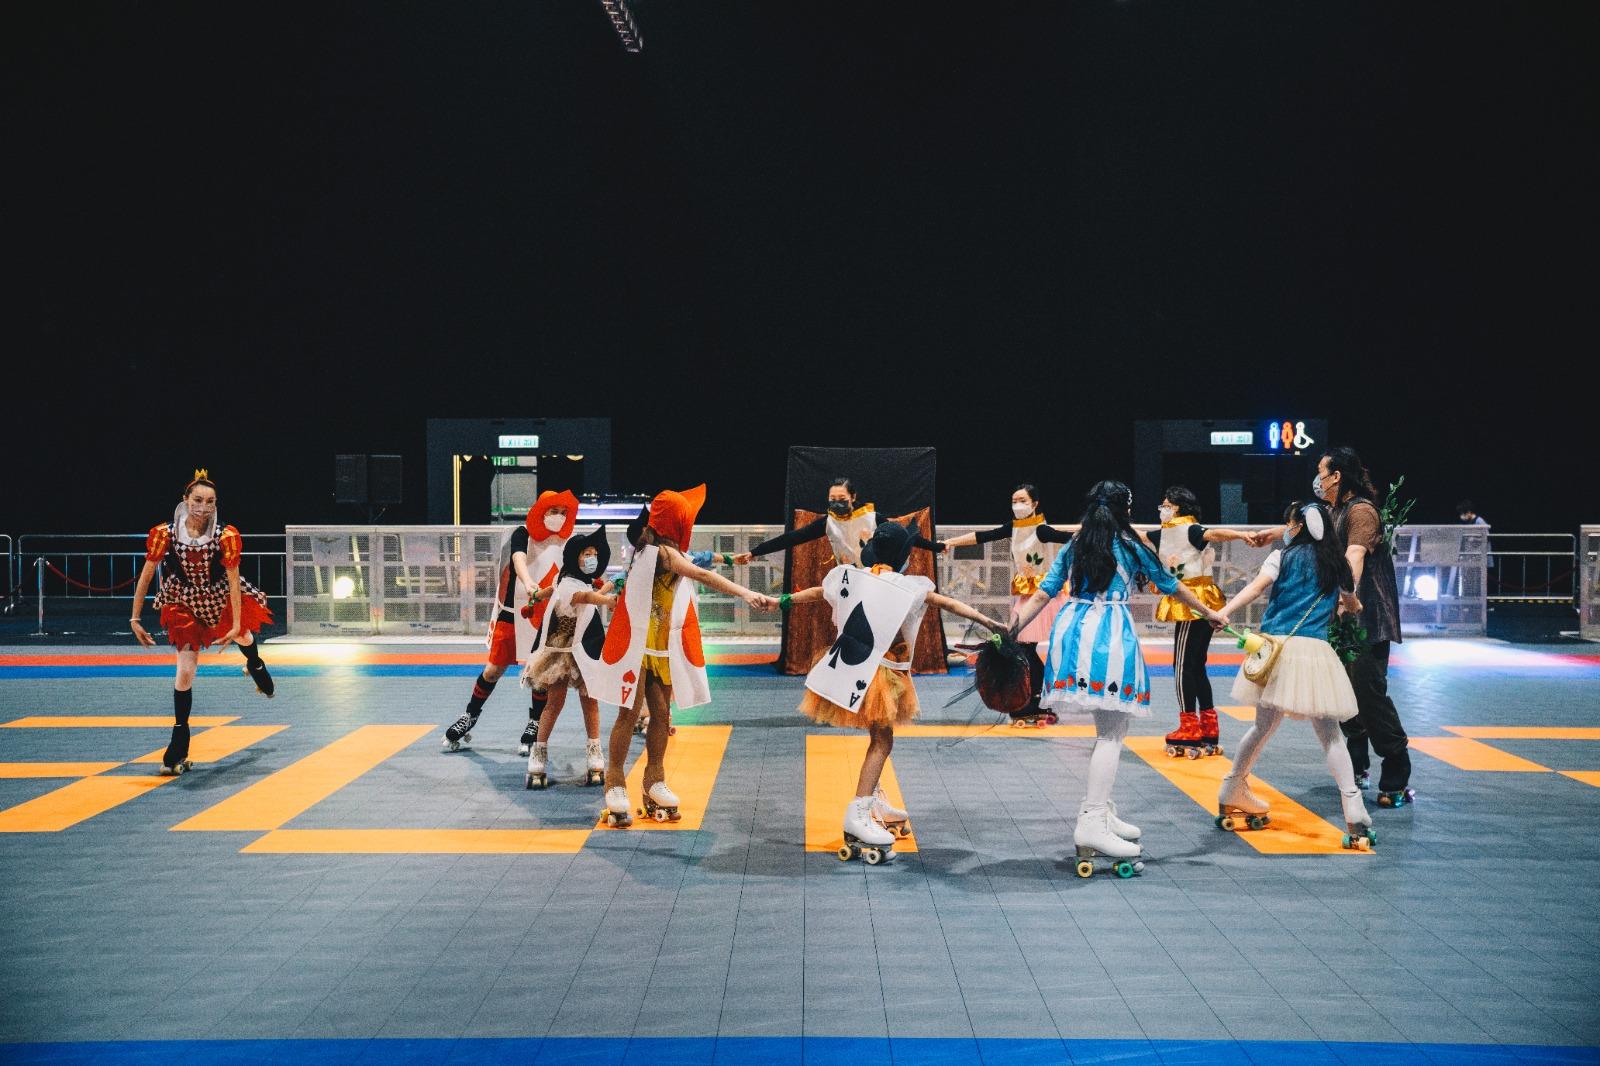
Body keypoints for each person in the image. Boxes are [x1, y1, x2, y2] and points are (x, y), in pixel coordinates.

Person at [1013, 481, 1228, 877]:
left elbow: (1043, 593)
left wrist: (1011, 630)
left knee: (1107, 730)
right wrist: (1209, 612)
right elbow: (1171, 585)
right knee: (1112, 734)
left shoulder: (1076, 544)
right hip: (1109, 635)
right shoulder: (1131, 547)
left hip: (1072, 632)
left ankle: (1100, 810)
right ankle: (1093, 820)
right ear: (1124, 510)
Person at [788, 520, 1006, 863]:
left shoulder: (853, 576)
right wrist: (991, 623)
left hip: (856, 668)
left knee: (878, 737)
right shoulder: (910, 587)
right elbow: (948, 604)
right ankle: (858, 813)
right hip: (884, 674)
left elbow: (818, 591)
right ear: (904, 556)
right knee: (882, 741)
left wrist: (782, 600)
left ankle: (874, 801)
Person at [576, 485, 776, 827]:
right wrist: (745, 592)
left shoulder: (663, 549)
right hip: (637, 647)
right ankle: (615, 782)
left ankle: (654, 780)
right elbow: (702, 574)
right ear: (678, 522)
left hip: (660, 646)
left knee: (662, 715)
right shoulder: (661, 553)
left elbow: (700, 563)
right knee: (628, 714)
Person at [1213, 501, 1375, 849]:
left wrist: (1223, 612)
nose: (1286, 528)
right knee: (1330, 735)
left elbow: (1255, 589)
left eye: (1289, 523)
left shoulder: (1282, 557)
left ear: (1299, 526)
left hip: (1274, 650)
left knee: (1262, 726)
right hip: (1314, 652)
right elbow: (1351, 603)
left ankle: (1232, 787)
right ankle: (1354, 809)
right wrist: (1352, 607)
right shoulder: (1337, 564)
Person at [129, 470, 274, 776]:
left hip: (219, 595)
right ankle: (178, 744)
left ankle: (255, 663)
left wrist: (235, 624)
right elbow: (147, 573)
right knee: (185, 670)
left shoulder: (225, 536)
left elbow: (233, 581)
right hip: (183, 599)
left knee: (244, 636)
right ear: (186, 500)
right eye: (197, 500)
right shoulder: (165, 534)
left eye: (210, 501)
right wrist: (135, 617)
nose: (203, 507)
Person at [442, 490, 577, 754]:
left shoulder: (565, 542)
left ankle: (534, 722)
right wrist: (528, 582)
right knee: (493, 669)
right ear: (541, 512)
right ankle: (470, 714)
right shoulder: (522, 534)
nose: (559, 517)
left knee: (538, 672)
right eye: (554, 511)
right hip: (514, 610)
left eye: (563, 513)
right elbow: (518, 559)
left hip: (546, 614)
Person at [940, 484, 1073, 724]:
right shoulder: (1014, 528)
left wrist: (1099, 533)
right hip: (1027, 597)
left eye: (1023, 501)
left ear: (1035, 504)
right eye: (1014, 501)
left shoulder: (1041, 530)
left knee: (1024, 648)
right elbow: (983, 536)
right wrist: (951, 542)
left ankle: (1035, 699)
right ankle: (1033, 699)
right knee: (1023, 649)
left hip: (1044, 597)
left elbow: (1068, 537)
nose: (1017, 505)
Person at [1139, 487, 1252, 758]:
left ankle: (1188, 727)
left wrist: (1241, 535)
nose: (1162, 509)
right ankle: (1209, 728)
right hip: (1204, 602)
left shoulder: (1189, 530)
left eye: (1166, 504)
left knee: (1181, 667)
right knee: (1196, 665)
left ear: (1177, 507)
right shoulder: (1167, 533)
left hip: (1191, 603)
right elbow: (1136, 534)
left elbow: (1214, 534)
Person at [521, 526, 615, 789]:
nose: (592, 558)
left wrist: (537, 594)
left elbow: (555, 591)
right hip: (562, 650)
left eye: (595, 554)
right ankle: (538, 751)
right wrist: (607, 600)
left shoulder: (571, 581)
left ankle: (594, 751)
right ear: (576, 557)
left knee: (590, 700)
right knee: (555, 702)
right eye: (587, 554)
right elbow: (583, 597)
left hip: (585, 647)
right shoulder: (569, 586)